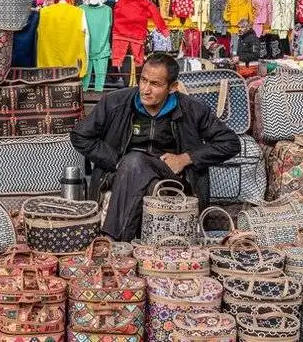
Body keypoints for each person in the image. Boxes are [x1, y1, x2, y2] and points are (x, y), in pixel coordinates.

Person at [70, 53, 241, 241]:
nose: (145, 89)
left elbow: (230, 143)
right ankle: (136, 244)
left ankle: (113, 240)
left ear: (172, 87)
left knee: (138, 164)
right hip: (122, 171)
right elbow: (80, 135)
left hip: (171, 175)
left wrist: (185, 158)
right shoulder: (114, 103)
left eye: (155, 84)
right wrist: (116, 161)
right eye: (143, 80)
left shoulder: (193, 110)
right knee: (138, 167)